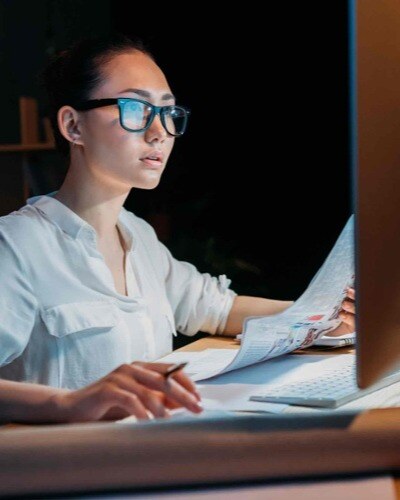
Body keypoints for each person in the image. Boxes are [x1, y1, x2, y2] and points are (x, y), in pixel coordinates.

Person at [0, 35, 355, 424]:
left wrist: (325, 316)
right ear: (73, 125)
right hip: (65, 469)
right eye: (135, 108)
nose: (159, 133)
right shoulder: (18, 245)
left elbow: (218, 309)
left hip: (152, 453)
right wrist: (69, 403)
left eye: (167, 113)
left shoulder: (136, 236)